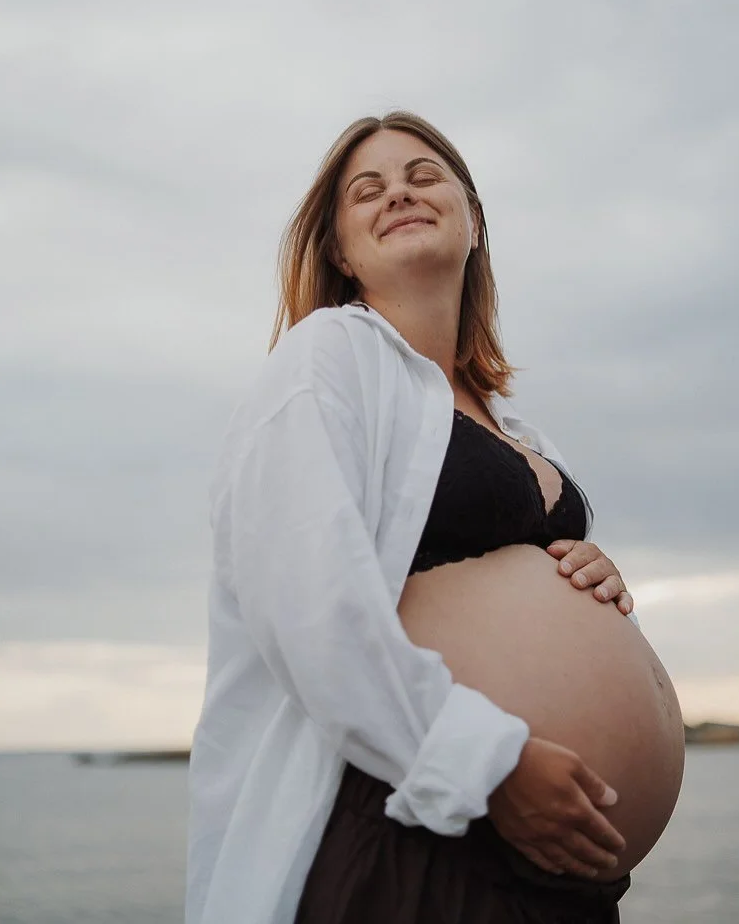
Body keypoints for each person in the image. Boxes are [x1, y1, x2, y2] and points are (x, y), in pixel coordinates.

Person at [185, 111, 637, 924]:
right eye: (368, 191)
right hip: (411, 832)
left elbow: (505, 600)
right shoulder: (328, 357)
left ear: (473, 222)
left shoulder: (512, 424)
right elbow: (307, 603)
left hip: (555, 868)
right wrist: (488, 765)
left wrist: (591, 587)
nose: (398, 191)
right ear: (339, 251)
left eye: (424, 175)